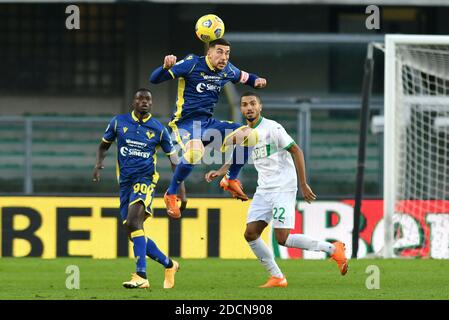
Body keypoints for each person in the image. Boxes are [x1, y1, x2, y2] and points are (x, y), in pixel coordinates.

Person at [205, 92, 348, 288]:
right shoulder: (246, 132)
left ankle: (333, 249)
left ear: (260, 107)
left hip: (283, 187)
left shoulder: (273, 128)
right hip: (264, 189)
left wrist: (302, 184)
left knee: (283, 238)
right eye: (245, 104)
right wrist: (222, 171)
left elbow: (296, 150)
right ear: (241, 109)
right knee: (251, 234)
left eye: (253, 103)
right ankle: (277, 277)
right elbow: (240, 155)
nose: (249, 107)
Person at [150, 38, 266, 218]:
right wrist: (165, 67)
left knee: (251, 135)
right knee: (195, 152)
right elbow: (154, 79)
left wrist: (257, 80)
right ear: (209, 53)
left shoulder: (227, 69)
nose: (224, 57)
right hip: (185, 124)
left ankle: (230, 178)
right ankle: (171, 193)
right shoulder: (191, 64)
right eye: (219, 52)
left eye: (227, 53)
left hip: (208, 124)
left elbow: (247, 77)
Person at [92, 88, 186, 289]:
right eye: (140, 98)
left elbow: (174, 161)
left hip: (145, 180)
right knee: (133, 230)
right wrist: (98, 164)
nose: (144, 101)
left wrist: (180, 191)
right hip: (125, 184)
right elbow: (103, 146)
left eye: (148, 99)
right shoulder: (118, 122)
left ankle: (141, 275)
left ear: (151, 104)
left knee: (134, 223)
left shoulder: (159, 129)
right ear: (133, 102)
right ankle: (170, 264)